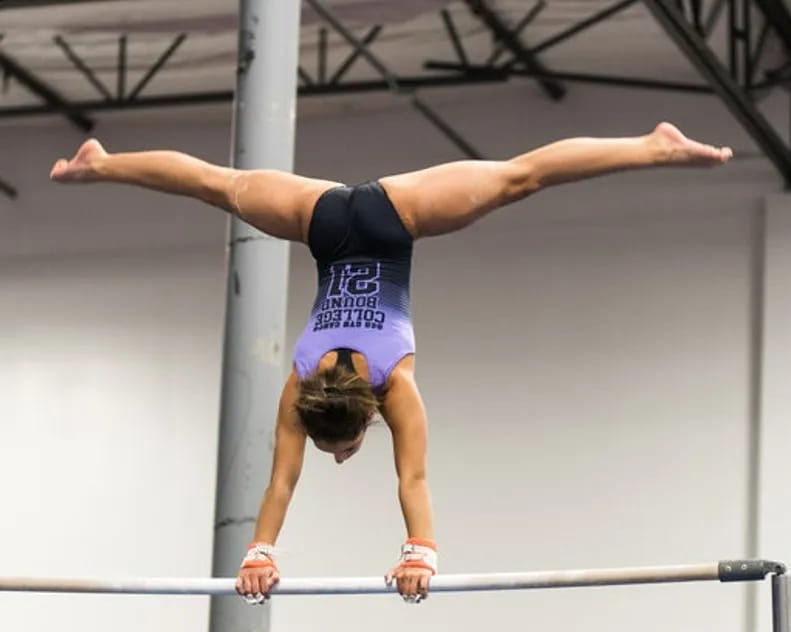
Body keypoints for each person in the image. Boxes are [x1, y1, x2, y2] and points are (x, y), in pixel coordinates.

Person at [50, 122, 732, 604]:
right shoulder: (301, 379)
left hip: (393, 222)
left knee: (518, 178)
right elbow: (287, 486)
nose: (341, 458)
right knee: (219, 186)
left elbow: (412, 477)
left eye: (340, 450)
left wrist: (420, 553)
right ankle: (100, 163)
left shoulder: (395, 384)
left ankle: (653, 146)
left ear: (367, 411)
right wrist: (262, 553)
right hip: (322, 219)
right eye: (344, 450)